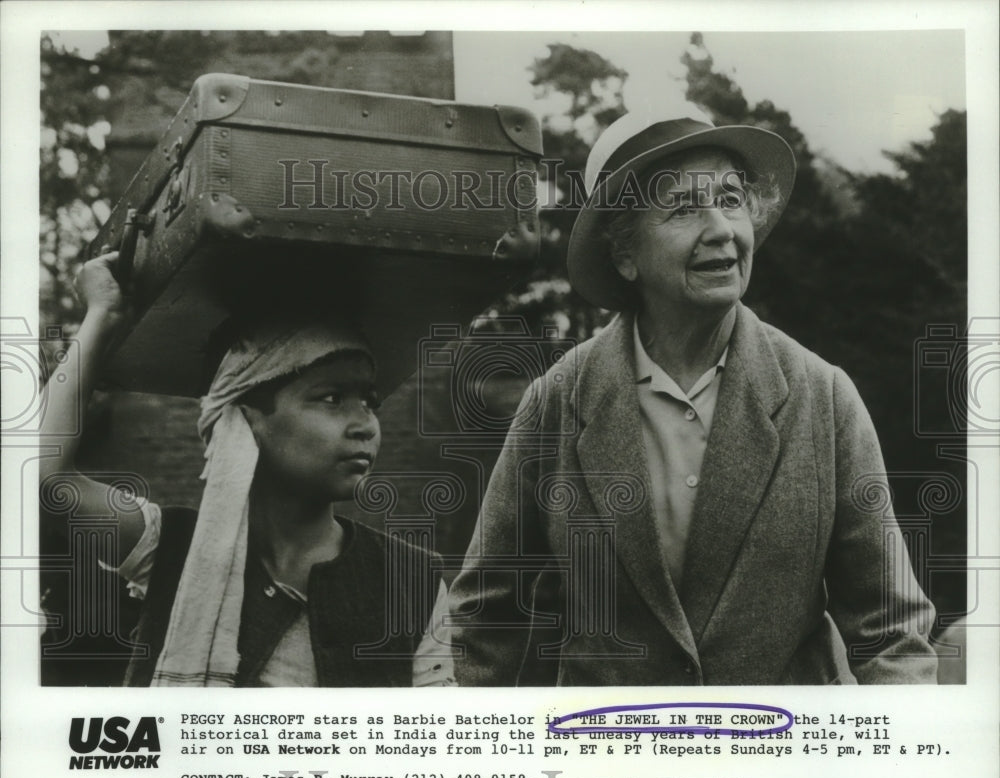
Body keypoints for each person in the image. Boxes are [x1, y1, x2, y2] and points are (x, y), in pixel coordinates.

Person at [448, 113, 938, 685]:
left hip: (785, 762)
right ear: (625, 254)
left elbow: (893, 632)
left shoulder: (823, 397)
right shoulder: (554, 403)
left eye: (731, 199)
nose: (722, 229)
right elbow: (486, 616)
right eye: (683, 208)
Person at [39, 251, 453, 687]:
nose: (365, 425)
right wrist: (103, 314)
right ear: (245, 418)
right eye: (332, 398)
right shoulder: (172, 550)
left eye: (370, 401)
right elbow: (44, 480)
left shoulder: (412, 581)